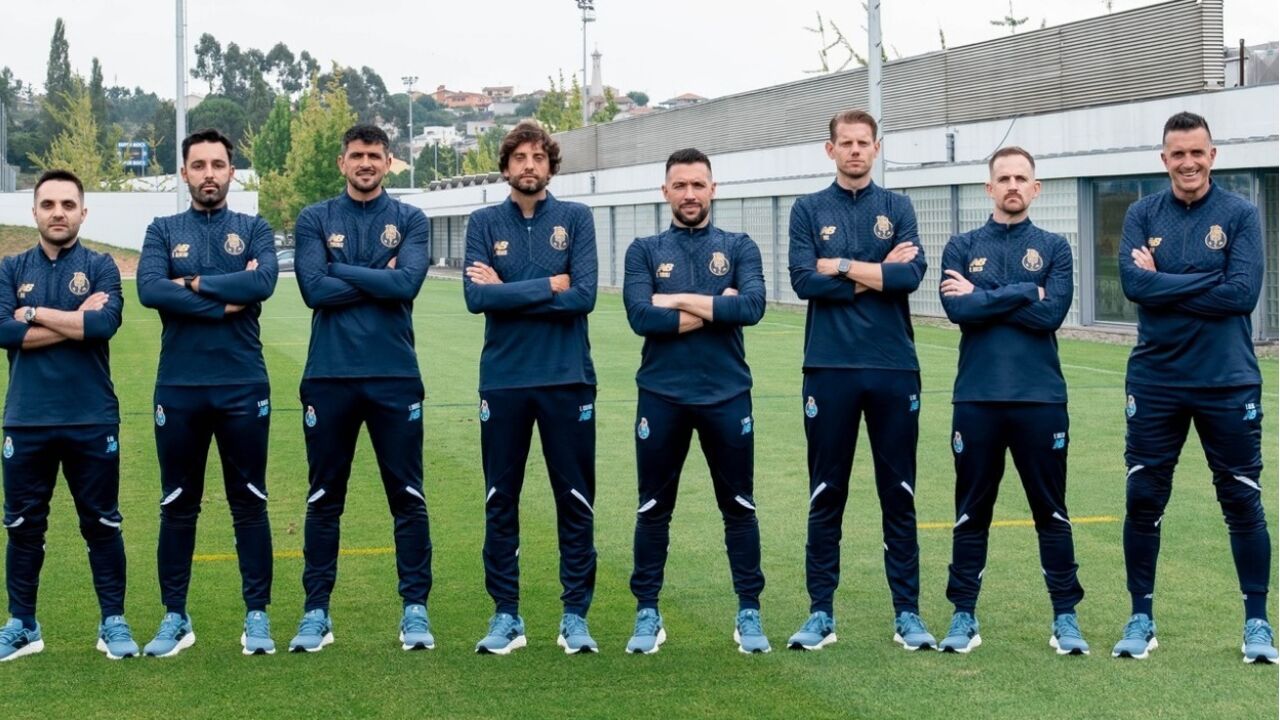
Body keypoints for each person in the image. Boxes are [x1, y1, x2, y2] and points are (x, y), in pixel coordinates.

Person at [1113, 111, 1275, 663]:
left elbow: (1242, 295)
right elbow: (1135, 286)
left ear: (1213, 155)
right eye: (1177, 154)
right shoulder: (1141, 213)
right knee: (1143, 497)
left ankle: (1257, 622)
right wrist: (1200, 278)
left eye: (1197, 152)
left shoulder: (1241, 214)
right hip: (1156, 379)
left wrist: (1164, 282)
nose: (1188, 162)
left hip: (1226, 381)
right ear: (1164, 159)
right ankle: (1141, 616)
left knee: (1241, 499)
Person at [785, 109, 935, 652]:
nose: (854, 151)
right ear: (830, 150)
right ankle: (820, 612)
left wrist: (840, 266)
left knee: (898, 494)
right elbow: (804, 279)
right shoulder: (808, 208)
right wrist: (874, 270)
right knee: (827, 494)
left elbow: (910, 276)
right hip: (829, 368)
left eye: (863, 143)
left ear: (877, 148)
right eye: (844, 143)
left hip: (894, 367)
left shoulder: (898, 207)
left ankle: (908, 614)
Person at [288, 124, 434, 653]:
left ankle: (414, 609)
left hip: (395, 376)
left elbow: (408, 283)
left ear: (388, 161)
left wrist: (340, 271)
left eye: (375, 155)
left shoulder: (411, 219)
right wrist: (377, 276)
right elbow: (312, 289)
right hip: (328, 377)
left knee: (408, 498)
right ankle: (316, 612)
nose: (366, 163)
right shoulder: (315, 218)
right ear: (341, 162)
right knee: (325, 499)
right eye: (357, 155)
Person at [936, 146, 1087, 655]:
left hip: (1041, 400)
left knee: (1052, 511)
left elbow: (1051, 317)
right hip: (976, 399)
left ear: (1036, 187)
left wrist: (986, 294)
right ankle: (963, 616)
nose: (1013, 185)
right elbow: (959, 312)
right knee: (971, 511)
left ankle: (1065, 617)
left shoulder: (1055, 246)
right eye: (1004, 178)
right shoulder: (961, 245)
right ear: (989, 187)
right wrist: (1027, 291)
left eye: (1022, 177)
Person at [136, 128, 279, 657]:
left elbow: (262, 283)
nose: (209, 174)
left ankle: (257, 617)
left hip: (243, 384)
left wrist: (190, 284)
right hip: (179, 388)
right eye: (199, 166)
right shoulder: (162, 228)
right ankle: (176, 617)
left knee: (250, 503)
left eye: (218, 165)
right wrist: (223, 296)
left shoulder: (255, 227)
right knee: (177, 504)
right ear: (184, 173)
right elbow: (151, 289)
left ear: (232, 172)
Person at [622, 148, 769, 654]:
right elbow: (641, 316)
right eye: (680, 186)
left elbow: (750, 307)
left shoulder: (739, 245)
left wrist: (675, 298)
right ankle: (647, 613)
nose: (689, 194)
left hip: (727, 395)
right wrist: (714, 306)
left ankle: (748, 611)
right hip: (661, 395)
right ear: (666, 192)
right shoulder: (643, 249)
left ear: (713, 189)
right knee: (652, 508)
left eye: (698, 185)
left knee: (740, 507)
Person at [462, 119, 600, 655]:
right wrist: (548, 285)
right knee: (501, 500)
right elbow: (478, 300)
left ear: (550, 165)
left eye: (538, 157)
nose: (528, 166)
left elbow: (583, 296)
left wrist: (509, 290)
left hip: (568, 379)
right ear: (505, 167)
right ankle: (506, 616)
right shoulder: (482, 221)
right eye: (519, 157)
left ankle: (575, 616)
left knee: (574, 500)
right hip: (504, 381)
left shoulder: (576, 218)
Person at [0, 170, 134, 661]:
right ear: (34, 212)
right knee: (21, 526)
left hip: (90, 418)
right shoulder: (10, 268)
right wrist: (74, 320)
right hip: (26, 418)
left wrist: (31, 313)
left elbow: (103, 325)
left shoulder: (101, 265)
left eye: (68, 204)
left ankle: (113, 622)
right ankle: (22, 624)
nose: (59, 212)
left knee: (101, 524)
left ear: (83, 211)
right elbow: (3, 334)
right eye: (49, 204)